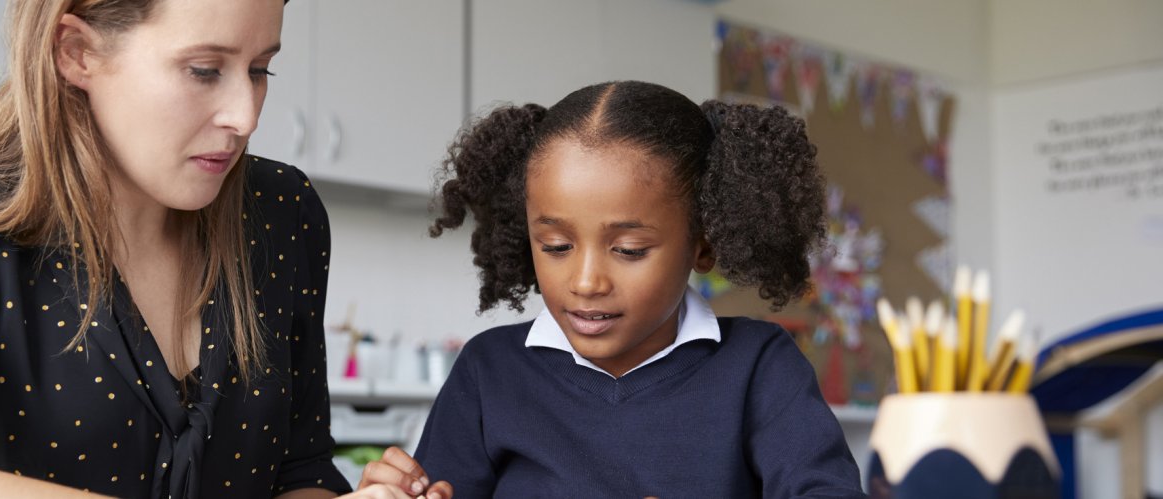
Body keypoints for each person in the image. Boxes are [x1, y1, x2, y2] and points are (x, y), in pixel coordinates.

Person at [0, 1, 428, 497]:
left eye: (261, 69)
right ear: (77, 51)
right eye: (204, 70)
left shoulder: (282, 214)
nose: (245, 115)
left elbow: (299, 473)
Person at [359, 81, 865, 497]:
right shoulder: (488, 372)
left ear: (702, 246)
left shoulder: (760, 367)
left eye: (628, 250)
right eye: (556, 246)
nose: (585, 282)